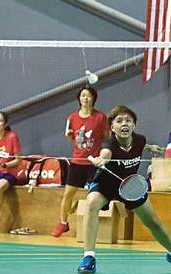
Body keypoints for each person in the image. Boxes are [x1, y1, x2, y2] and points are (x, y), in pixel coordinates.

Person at [77, 105, 171, 273]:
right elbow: (106, 154)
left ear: (134, 125)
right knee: (91, 204)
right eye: (119, 121)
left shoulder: (140, 140)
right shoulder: (109, 144)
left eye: (128, 120)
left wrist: (151, 148)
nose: (124, 124)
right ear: (112, 127)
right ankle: (88, 257)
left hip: (129, 186)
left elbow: (141, 145)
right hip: (105, 185)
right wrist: (101, 160)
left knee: (154, 222)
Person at [51, 86, 110, 237]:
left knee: (95, 195)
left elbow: (106, 137)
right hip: (77, 162)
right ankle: (63, 223)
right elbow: (70, 136)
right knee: (68, 194)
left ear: (93, 99)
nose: (85, 98)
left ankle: (94, 226)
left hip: (94, 163)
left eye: (89, 96)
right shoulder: (72, 118)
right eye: (83, 96)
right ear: (79, 98)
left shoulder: (101, 117)